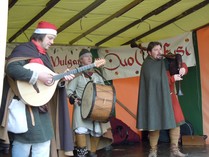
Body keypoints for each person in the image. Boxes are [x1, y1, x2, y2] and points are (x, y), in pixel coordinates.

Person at [0, 21, 75, 157]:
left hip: (41, 106)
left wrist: (61, 79)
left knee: (45, 140)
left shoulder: (44, 55)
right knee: (24, 141)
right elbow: (11, 68)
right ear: (40, 36)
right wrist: (37, 75)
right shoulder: (24, 49)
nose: (52, 42)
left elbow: (48, 81)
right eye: (50, 38)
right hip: (26, 106)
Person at [136, 41, 188, 157]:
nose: (159, 52)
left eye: (160, 49)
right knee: (155, 122)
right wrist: (172, 79)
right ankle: (153, 150)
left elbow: (180, 63)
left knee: (176, 121)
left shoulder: (165, 60)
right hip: (155, 99)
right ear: (149, 52)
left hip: (169, 96)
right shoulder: (147, 65)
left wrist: (183, 68)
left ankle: (174, 150)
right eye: (155, 50)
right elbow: (155, 81)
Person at [66, 49, 112, 157]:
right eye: (86, 57)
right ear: (81, 60)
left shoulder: (97, 75)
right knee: (80, 129)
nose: (89, 58)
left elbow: (104, 90)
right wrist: (74, 98)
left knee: (97, 130)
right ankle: (82, 153)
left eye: (90, 56)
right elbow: (69, 91)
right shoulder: (76, 75)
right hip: (80, 107)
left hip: (95, 108)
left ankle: (92, 152)